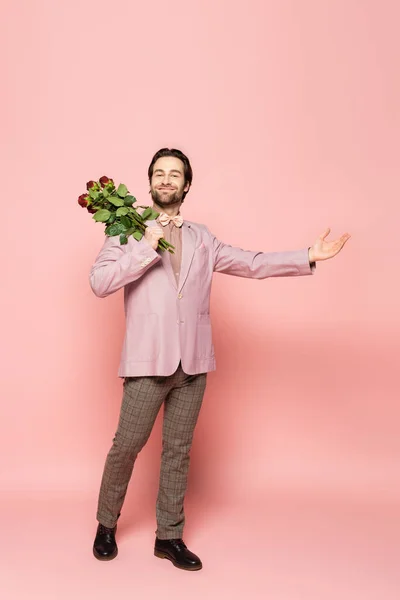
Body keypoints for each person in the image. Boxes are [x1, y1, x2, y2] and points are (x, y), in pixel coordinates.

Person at [89, 147, 351, 571]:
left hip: (193, 365)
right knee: (126, 448)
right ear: (150, 181)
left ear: (186, 184)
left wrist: (307, 256)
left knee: (178, 450)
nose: (167, 180)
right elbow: (99, 282)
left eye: (175, 174)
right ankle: (105, 525)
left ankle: (169, 536)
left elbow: (251, 263)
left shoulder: (203, 237)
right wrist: (144, 247)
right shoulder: (126, 231)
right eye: (159, 173)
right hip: (146, 363)